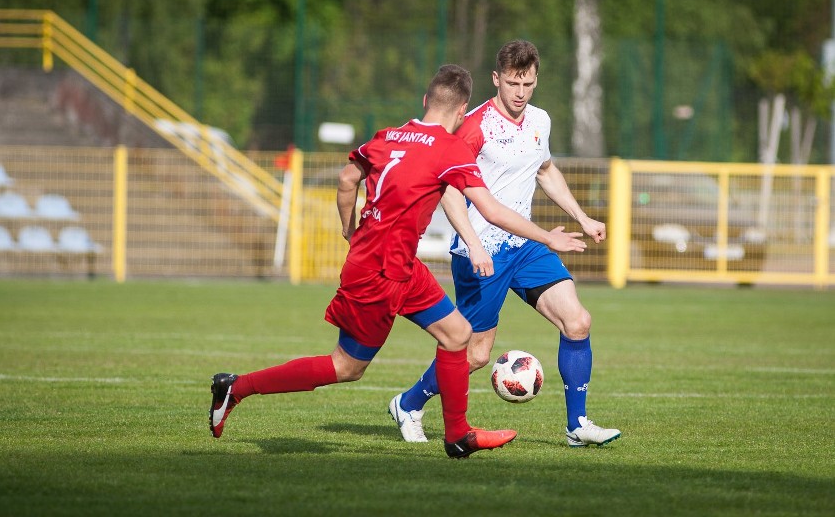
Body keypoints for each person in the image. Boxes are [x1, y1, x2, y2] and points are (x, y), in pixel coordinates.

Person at [209, 64, 588, 458]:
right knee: (346, 367)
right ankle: (237, 387)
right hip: (378, 275)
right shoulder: (449, 148)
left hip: (398, 265)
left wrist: (350, 230)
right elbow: (490, 209)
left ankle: (457, 435)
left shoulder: (387, 136)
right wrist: (547, 236)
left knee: (458, 334)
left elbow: (345, 180)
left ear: (426, 101)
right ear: (462, 112)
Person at [389, 41, 621, 448]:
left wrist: (581, 218)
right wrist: (473, 241)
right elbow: (448, 189)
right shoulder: (474, 125)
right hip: (483, 252)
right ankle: (408, 403)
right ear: (497, 79)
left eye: (527, 84)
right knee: (475, 354)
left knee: (578, 321)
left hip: (525, 243)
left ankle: (577, 425)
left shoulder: (540, 121)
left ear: (536, 81)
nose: (519, 92)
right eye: (512, 82)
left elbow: (545, 171)